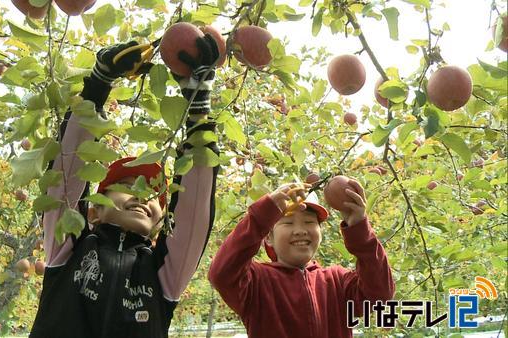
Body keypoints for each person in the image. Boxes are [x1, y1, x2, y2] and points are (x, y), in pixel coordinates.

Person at [29, 35, 221, 337]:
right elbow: (66, 178)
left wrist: (198, 113)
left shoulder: (164, 275)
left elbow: (193, 214)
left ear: (162, 222)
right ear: (93, 210)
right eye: (128, 185)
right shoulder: (67, 251)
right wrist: (98, 85)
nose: (142, 195)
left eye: (154, 194)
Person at [208, 181, 395, 338]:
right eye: (288, 222)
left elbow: (380, 295)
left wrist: (360, 230)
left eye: (309, 222)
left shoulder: (338, 281)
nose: (300, 230)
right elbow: (221, 274)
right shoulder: (256, 282)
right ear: (268, 237)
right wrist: (262, 216)